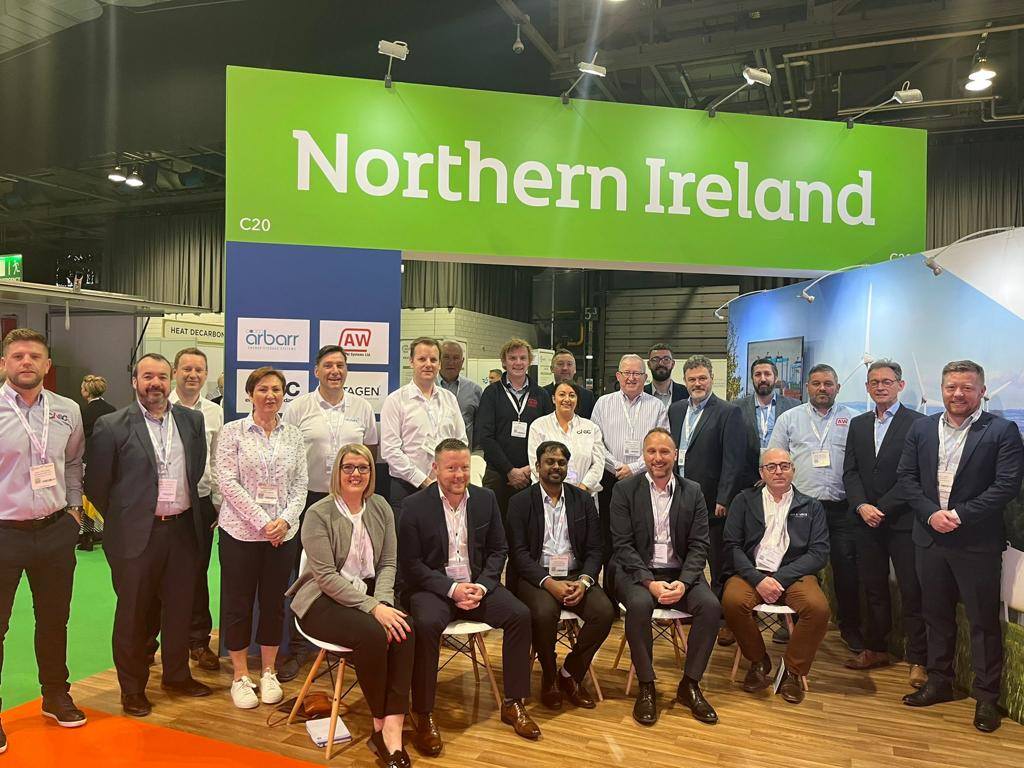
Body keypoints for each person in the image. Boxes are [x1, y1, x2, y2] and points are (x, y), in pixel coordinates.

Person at [898, 360, 1024, 733]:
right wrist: (931, 515)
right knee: (935, 614)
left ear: (982, 391)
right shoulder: (922, 428)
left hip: (976, 543)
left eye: (967, 387)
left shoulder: (1002, 431)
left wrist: (959, 515)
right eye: (952, 386)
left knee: (983, 622)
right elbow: (906, 479)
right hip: (929, 537)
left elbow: (1006, 485)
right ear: (942, 389)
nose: (958, 394)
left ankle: (987, 698)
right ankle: (940, 681)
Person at [85, 352, 212, 717]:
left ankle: (176, 675)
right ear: (134, 382)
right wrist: (129, 517)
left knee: (179, 610)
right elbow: (97, 484)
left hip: (183, 532)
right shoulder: (112, 425)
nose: (154, 383)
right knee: (134, 614)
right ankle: (132, 688)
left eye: (160, 377)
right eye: (147, 377)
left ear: (170, 380)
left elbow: (196, 466)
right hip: (135, 537)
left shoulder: (192, 420)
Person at [399, 439, 540, 752]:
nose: (458, 475)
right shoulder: (414, 506)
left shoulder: (486, 499)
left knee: (520, 615)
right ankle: (423, 713)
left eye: (464, 467)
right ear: (435, 469)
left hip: (477, 585)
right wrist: (451, 589)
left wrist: (484, 585)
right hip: (434, 589)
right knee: (424, 624)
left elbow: (498, 549)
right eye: (451, 468)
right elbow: (410, 564)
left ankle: (513, 702)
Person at [287, 444, 413, 767]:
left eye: (363, 467)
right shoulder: (318, 514)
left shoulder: (382, 508)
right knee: (372, 633)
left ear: (372, 473)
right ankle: (378, 723)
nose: (356, 474)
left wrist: (383, 603)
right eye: (348, 467)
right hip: (320, 600)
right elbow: (326, 577)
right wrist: (374, 608)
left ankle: (393, 727)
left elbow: (388, 564)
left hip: (369, 597)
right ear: (337, 473)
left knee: (404, 630)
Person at [0, 328, 88, 748]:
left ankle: (55, 695)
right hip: (3, 532)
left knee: (54, 620)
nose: (26, 362)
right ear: (4, 363)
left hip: (55, 529)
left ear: (47, 365)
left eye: (35, 355)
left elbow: (73, 464)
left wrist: (74, 510)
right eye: (17, 355)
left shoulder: (68, 410)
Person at [609, 428, 721, 726]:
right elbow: (623, 545)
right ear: (643, 455)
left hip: (680, 572)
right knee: (640, 605)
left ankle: (690, 684)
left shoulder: (693, 491)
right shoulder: (624, 491)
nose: (657, 458)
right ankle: (646, 686)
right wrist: (650, 583)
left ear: (676, 455)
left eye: (664, 452)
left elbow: (700, 544)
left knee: (710, 607)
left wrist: (684, 582)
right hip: (637, 573)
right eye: (652, 452)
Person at [215, 367, 308, 710]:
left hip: (282, 536)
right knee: (238, 604)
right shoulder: (232, 432)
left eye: (277, 389)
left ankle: (268, 670)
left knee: (273, 604)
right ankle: (240, 674)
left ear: (284, 394)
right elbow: (227, 481)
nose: (270, 395)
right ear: (250, 394)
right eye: (263, 389)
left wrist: (283, 521)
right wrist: (262, 521)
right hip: (240, 533)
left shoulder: (294, 435)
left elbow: (301, 484)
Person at [506, 441, 613, 710]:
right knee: (543, 613)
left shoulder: (583, 500)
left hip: (576, 574)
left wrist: (585, 581)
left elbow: (595, 549)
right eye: (549, 461)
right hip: (536, 577)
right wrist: (549, 583)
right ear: (538, 466)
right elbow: (518, 554)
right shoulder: (519, 502)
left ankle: (570, 673)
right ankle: (549, 675)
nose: (555, 466)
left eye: (561, 462)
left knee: (604, 612)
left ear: (568, 467)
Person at [722, 448, 830, 704]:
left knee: (818, 608)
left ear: (793, 469)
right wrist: (758, 579)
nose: (778, 471)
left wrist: (780, 579)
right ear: (762, 472)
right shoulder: (743, 501)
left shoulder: (811, 506)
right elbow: (731, 546)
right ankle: (759, 661)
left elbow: (819, 553)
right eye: (771, 467)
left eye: (784, 466)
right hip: (752, 572)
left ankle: (792, 671)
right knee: (732, 601)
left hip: (794, 574)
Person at [842, 360, 927, 686]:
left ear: (900, 385)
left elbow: (916, 476)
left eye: (887, 381)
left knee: (911, 590)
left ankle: (918, 659)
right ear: (866, 387)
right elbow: (850, 471)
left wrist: (882, 508)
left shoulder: (918, 423)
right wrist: (862, 505)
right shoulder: (859, 423)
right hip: (866, 522)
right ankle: (876, 648)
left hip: (904, 522)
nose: (880, 386)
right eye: (874, 382)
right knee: (874, 588)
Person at [769, 364, 864, 652]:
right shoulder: (789, 419)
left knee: (846, 571)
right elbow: (775, 459)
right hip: (800, 508)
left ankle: (850, 629)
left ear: (838, 387)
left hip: (840, 509)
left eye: (828, 383)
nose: (822, 388)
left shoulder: (854, 420)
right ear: (807, 387)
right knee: (796, 568)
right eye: (816, 383)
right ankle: (793, 623)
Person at [667, 355, 745, 625]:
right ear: (685, 381)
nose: (697, 383)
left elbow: (733, 460)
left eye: (702, 378)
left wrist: (724, 498)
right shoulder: (676, 410)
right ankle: (690, 605)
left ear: (712, 378)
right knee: (686, 555)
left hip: (713, 500)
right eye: (692, 379)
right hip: (680, 495)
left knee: (718, 559)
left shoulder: (728, 412)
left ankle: (722, 618)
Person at [167, 347, 223, 672]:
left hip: (201, 504)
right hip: (167, 502)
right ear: (176, 372)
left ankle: (198, 642)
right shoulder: (162, 406)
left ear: (205, 374)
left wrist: (216, 502)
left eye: (199, 370)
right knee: (161, 574)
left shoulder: (214, 413)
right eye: (186, 368)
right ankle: (154, 643)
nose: (192, 375)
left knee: (198, 572)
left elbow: (216, 460)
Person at [591, 354, 669, 569]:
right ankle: (610, 590)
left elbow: (662, 447)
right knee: (610, 537)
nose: (632, 378)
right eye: (627, 373)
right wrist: (617, 467)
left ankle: (641, 584)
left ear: (645, 377)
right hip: (610, 480)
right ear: (618, 375)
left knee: (642, 535)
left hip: (645, 480)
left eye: (637, 373)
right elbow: (596, 443)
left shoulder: (657, 407)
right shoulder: (602, 404)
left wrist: (633, 468)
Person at [380, 337, 467, 521]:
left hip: (447, 486)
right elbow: (390, 450)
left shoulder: (449, 399)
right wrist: (424, 481)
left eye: (433, 360)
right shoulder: (396, 400)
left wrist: (449, 475)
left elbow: (461, 442)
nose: (428, 364)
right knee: (408, 547)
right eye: (422, 359)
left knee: (442, 544)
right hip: (407, 487)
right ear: (411, 361)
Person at [285, 345, 379, 513]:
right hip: (308, 496)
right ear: (316, 371)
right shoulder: (297, 408)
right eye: (328, 366)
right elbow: (286, 454)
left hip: (351, 495)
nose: (335, 371)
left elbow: (369, 451)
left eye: (340, 365)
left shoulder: (363, 407)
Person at [476, 338, 552, 522]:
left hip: (531, 474)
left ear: (529, 361)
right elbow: (485, 436)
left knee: (527, 526)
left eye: (522, 358)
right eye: (512, 358)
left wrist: (529, 469)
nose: (518, 363)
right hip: (498, 474)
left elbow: (548, 436)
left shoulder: (541, 395)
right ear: (503, 361)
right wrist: (509, 470)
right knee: (495, 526)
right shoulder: (491, 393)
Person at [527, 382, 606, 498]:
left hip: (584, 494)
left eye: (572, 395)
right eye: (562, 394)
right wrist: (556, 490)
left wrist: (583, 487)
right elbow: (536, 464)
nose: (567, 399)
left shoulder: (591, 428)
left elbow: (598, 463)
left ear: (577, 400)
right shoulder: (539, 426)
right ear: (554, 399)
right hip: (548, 494)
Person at [734, 357, 800, 487]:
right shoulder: (736, 408)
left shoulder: (794, 406)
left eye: (767, 374)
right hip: (747, 481)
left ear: (775, 378)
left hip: (782, 478)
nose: (763, 379)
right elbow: (734, 449)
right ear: (752, 378)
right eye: (758, 374)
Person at [78, 374, 115, 551]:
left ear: (86, 391)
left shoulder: (82, 412)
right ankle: (109, 532)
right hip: (108, 461)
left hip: (87, 460)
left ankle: (87, 536)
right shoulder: (113, 409)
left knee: (86, 498)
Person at [438, 340, 482, 449]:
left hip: (464, 453)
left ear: (462, 362)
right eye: (446, 357)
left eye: (456, 358)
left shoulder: (474, 390)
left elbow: (480, 427)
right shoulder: (428, 386)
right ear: (439, 359)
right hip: (431, 453)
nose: (451, 362)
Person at [543, 349, 595, 419]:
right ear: (551, 368)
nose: (565, 368)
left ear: (575, 369)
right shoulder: (541, 394)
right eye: (560, 364)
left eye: (569, 364)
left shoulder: (587, 396)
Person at [643, 344, 688, 408]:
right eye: (655, 359)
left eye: (666, 359)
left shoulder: (686, 393)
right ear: (648, 364)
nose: (661, 363)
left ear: (672, 364)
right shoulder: (640, 393)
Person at [80, 374, 115, 439]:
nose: (81, 390)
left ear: (87, 392)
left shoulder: (83, 411)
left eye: (82, 388)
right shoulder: (112, 409)